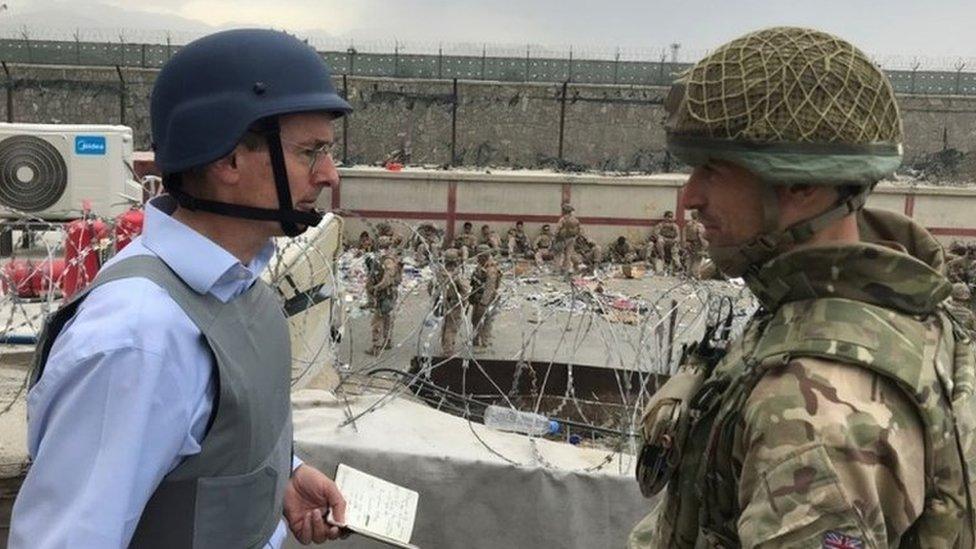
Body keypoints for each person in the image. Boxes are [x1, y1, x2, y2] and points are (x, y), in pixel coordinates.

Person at [630, 27, 976, 548]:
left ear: (799, 183)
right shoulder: (889, 306)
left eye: (714, 169)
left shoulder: (815, 413)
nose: (690, 196)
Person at [10, 29, 352, 548]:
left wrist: (281, 477)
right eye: (311, 152)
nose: (328, 174)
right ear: (228, 159)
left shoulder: (239, 290)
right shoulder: (138, 338)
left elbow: (196, 441)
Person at [365, 236, 401, 355]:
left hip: (385, 294)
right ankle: (387, 341)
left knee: (377, 320)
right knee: (387, 318)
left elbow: (387, 279)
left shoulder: (387, 260)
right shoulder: (387, 256)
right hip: (388, 293)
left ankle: (376, 346)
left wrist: (376, 288)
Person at [430, 248, 469, 356]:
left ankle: (445, 345)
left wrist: (436, 299)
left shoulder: (439, 272)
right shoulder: (456, 275)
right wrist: (464, 302)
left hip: (442, 303)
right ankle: (448, 350)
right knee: (452, 327)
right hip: (454, 304)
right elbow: (465, 290)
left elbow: (430, 287)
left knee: (445, 324)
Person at [469, 244, 502, 349]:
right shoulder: (481, 265)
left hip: (487, 300)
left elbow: (490, 289)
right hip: (478, 297)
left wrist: (483, 303)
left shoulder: (491, 269)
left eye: (479, 255)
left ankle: (484, 343)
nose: (477, 257)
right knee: (475, 319)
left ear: (484, 256)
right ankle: (475, 339)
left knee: (486, 320)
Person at [554, 203, 581, 274]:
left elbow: (557, 229)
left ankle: (557, 270)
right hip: (572, 238)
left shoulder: (563, 219)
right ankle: (566, 269)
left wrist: (555, 237)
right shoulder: (575, 220)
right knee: (568, 255)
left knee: (558, 254)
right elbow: (579, 230)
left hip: (562, 239)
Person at [683, 210, 708, 278]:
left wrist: (685, 243)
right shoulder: (699, 225)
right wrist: (705, 246)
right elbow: (701, 236)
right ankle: (695, 275)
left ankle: (688, 274)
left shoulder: (688, 224)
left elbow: (684, 234)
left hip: (689, 243)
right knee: (697, 260)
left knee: (690, 259)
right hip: (697, 244)